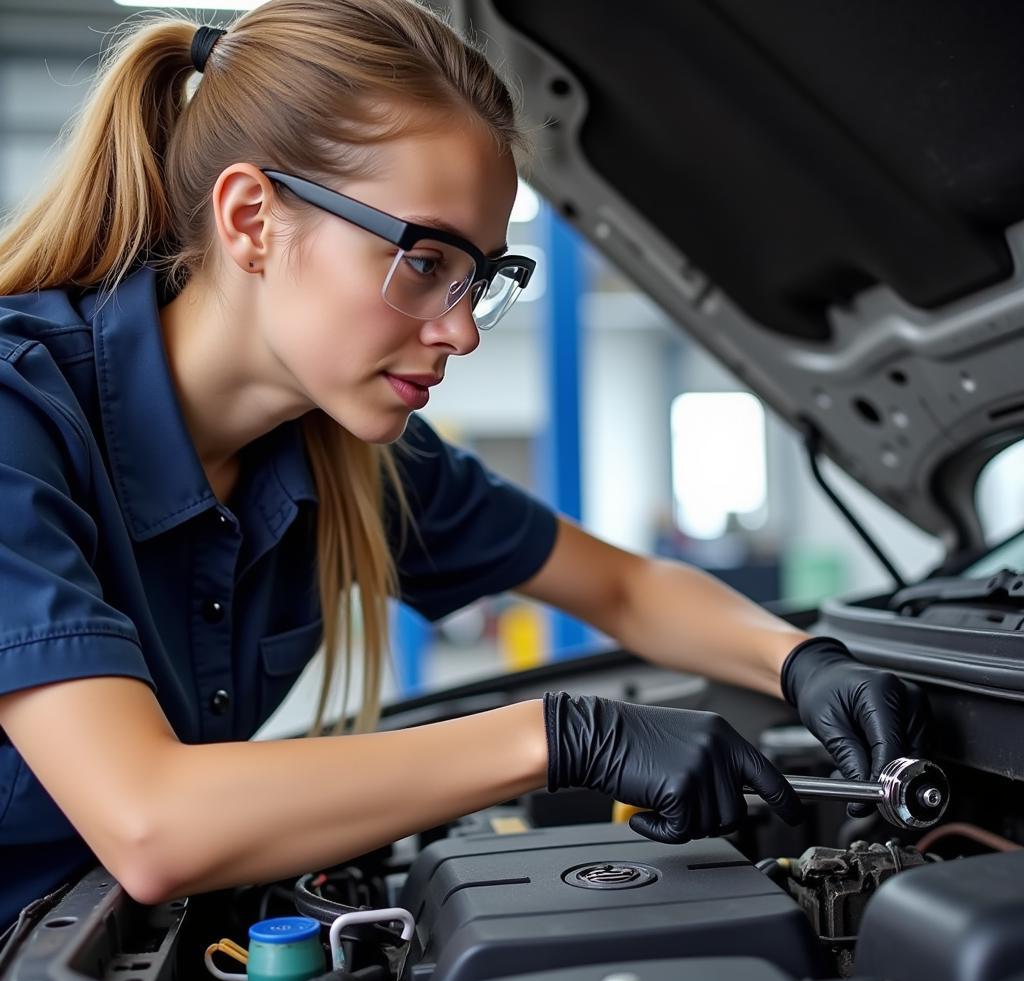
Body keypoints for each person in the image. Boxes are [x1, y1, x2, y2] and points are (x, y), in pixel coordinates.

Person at [0, 0, 929, 934]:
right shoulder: (17, 426)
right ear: (251, 220)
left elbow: (625, 588)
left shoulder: (351, 460)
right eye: (424, 258)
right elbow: (151, 823)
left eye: (480, 274)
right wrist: (563, 736)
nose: (462, 328)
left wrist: (802, 662)